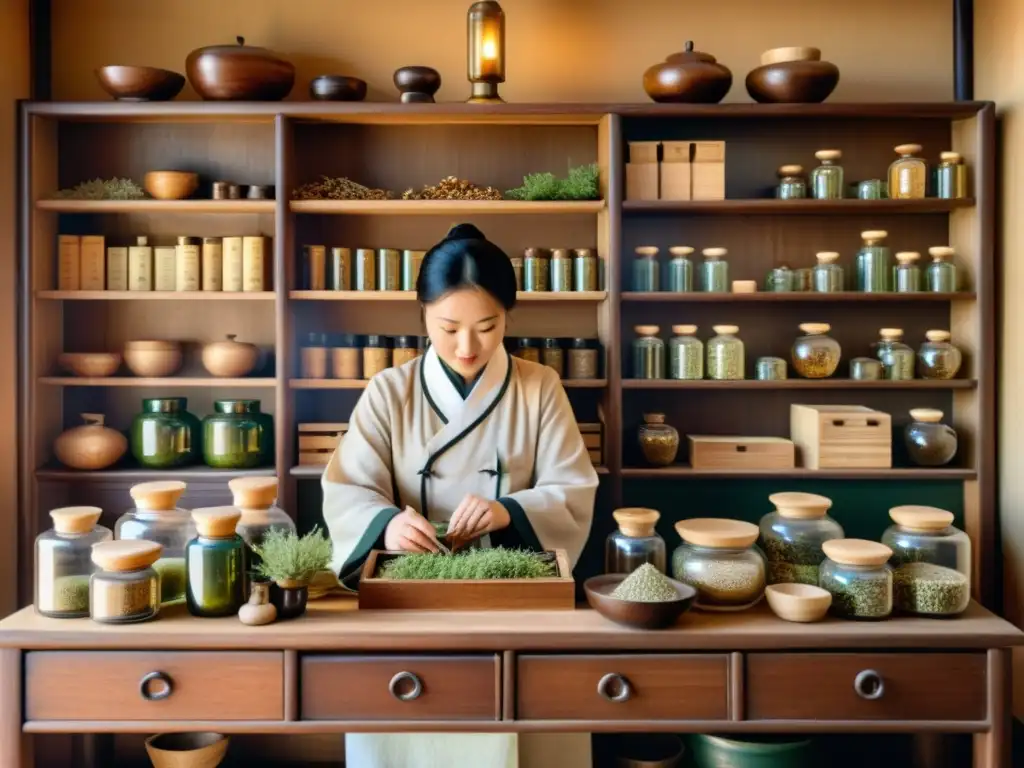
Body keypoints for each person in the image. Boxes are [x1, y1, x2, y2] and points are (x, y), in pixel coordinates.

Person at [322, 223, 598, 768]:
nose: (467, 347)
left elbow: (572, 490)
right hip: (410, 597)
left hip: (516, 597)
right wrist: (385, 526)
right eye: (448, 328)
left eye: (487, 327)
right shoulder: (389, 390)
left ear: (509, 318)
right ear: (422, 313)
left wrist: (506, 511)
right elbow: (348, 487)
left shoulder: (540, 386)